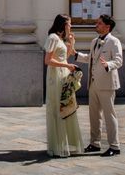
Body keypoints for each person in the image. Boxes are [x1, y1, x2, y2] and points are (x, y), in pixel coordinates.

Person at [72, 14, 123, 157]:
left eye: (99, 23)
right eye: (97, 23)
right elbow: (90, 58)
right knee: (94, 115)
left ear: (107, 27)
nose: (96, 25)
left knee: (109, 115)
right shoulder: (94, 41)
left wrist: (108, 65)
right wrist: (76, 54)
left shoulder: (114, 41)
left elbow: (118, 61)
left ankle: (115, 146)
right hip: (93, 83)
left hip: (107, 84)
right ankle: (95, 143)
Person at [43, 14, 84, 157]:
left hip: (63, 75)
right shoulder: (53, 38)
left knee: (66, 106)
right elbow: (48, 60)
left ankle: (62, 143)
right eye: (69, 24)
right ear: (63, 25)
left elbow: (63, 58)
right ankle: (57, 145)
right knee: (58, 107)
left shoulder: (60, 38)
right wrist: (67, 65)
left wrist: (71, 44)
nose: (71, 27)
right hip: (56, 77)